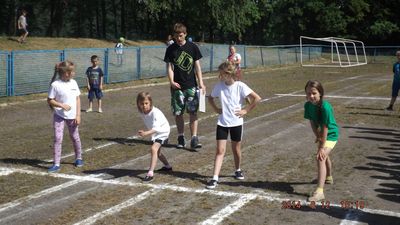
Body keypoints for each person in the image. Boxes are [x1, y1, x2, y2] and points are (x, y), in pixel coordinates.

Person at [206, 61, 261, 189]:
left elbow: (257, 98)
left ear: (229, 74)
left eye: (222, 74)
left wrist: (245, 110)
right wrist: (216, 109)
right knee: (220, 151)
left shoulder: (240, 86)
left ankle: (238, 169)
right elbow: (210, 98)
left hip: (236, 123)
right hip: (222, 123)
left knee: (236, 149)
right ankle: (215, 178)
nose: (220, 76)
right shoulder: (219, 86)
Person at [164, 23, 206, 150]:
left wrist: (201, 82)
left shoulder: (193, 47)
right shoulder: (171, 49)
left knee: (192, 112)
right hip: (177, 87)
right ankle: (181, 137)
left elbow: (197, 67)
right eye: (176, 36)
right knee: (178, 113)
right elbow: (169, 67)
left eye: (181, 35)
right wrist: (171, 81)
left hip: (191, 86)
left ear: (185, 34)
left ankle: (194, 137)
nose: (178, 38)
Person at [304, 80, 339, 201]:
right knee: (324, 156)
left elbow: (325, 127)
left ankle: (320, 192)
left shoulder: (325, 107)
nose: (311, 96)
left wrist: (321, 145)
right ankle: (328, 177)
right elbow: (312, 122)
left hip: (331, 134)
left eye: (314, 93)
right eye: (308, 93)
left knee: (320, 157)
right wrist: (317, 136)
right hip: (322, 135)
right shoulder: (307, 105)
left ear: (320, 93)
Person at [47, 61, 83, 172]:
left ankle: (79, 158)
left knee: (74, 136)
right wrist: (61, 105)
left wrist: (78, 115)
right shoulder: (55, 85)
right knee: (58, 138)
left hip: (72, 116)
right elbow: (50, 100)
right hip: (59, 116)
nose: (74, 73)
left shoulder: (74, 83)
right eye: (72, 71)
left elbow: (77, 99)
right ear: (66, 73)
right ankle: (56, 163)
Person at [136, 91, 173, 182]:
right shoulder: (142, 112)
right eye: (142, 103)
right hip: (155, 133)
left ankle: (150, 173)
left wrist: (146, 133)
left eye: (146, 103)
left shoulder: (155, 112)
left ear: (150, 103)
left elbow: (156, 128)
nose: (144, 105)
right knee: (158, 153)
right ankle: (168, 166)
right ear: (138, 104)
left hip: (163, 131)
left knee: (153, 149)